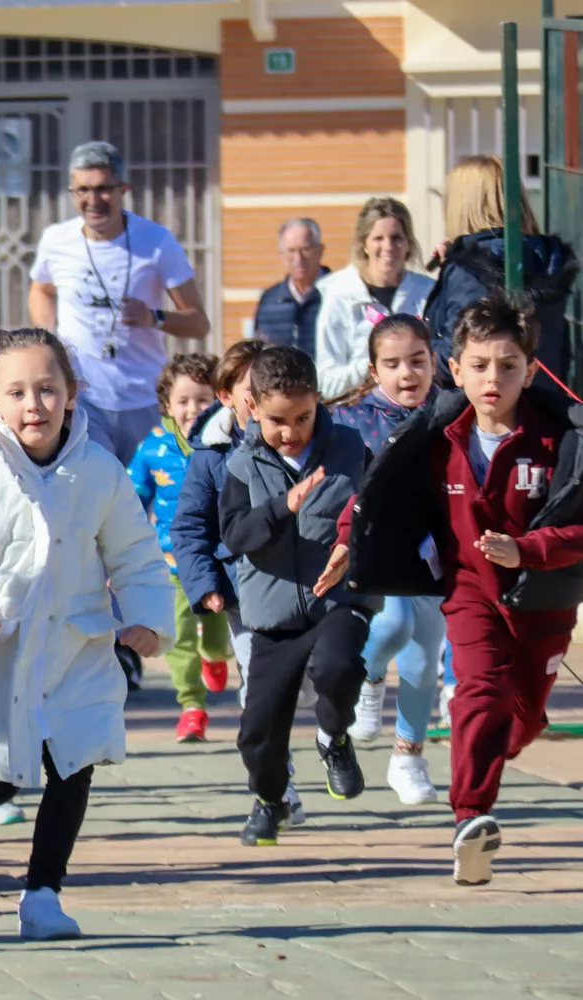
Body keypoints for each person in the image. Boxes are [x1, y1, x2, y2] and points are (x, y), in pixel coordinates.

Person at [0, 327, 173, 940]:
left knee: (74, 761)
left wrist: (150, 618)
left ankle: (43, 892)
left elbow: (134, 552)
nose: (35, 405)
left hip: (77, 647)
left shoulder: (99, 470)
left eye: (48, 389)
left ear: (71, 394)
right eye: (18, 392)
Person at [335, 297, 583, 886]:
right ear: (457, 366)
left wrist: (530, 549)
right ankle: (471, 818)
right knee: (481, 692)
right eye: (479, 365)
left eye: (507, 365)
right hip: (470, 592)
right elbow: (379, 491)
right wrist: (350, 540)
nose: (492, 378)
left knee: (521, 721)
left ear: (530, 367)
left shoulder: (561, 440)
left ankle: (504, 744)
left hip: (544, 604)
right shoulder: (438, 436)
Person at [219, 345, 376, 848]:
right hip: (273, 613)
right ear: (253, 409)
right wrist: (281, 507)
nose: (291, 432)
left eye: (303, 417)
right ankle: (270, 801)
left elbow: (378, 515)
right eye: (277, 421)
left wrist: (352, 545)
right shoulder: (241, 465)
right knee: (258, 731)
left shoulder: (351, 449)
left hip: (338, 600)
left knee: (339, 667)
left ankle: (334, 739)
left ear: (318, 403)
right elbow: (235, 534)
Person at [170, 341, 309, 826]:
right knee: (261, 692)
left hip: (312, 589)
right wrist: (204, 582)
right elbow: (189, 528)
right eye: (253, 391)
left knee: (310, 686)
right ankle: (279, 789)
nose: (264, 400)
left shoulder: (310, 439)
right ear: (228, 396)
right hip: (246, 597)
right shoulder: (211, 456)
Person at [27, 140, 211, 464]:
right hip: (82, 398)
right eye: (82, 190)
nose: (92, 200)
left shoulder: (156, 242)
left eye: (102, 189)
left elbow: (198, 323)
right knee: (95, 496)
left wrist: (153, 316)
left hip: (144, 399)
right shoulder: (57, 240)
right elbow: (41, 289)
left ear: (123, 188)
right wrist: (49, 336)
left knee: (142, 503)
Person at [330, 316, 444, 805]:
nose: (407, 374)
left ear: (435, 363)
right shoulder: (353, 419)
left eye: (417, 361)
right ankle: (369, 679)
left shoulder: (450, 411)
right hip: (376, 549)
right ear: (374, 370)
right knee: (393, 623)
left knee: (424, 659)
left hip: (437, 553)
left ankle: (408, 757)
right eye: (393, 364)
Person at [127, 353, 231, 742]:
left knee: (217, 632)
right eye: (183, 401)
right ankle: (192, 707)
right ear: (167, 406)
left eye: (202, 400)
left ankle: (217, 656)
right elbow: (133, 498)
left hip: (221, 560)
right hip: (170, 564)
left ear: (220, 399)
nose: (193, 410)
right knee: (179, 636)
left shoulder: (227, 444)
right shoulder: (153, 448)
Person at [424, 154, 579, 379]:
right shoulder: (544, 256)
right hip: (542, 401)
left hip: (484, 406)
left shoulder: (470, 271)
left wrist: (420, 356)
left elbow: (459, 353)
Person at [315, 198, 435, 399]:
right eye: (378, 238)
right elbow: (326, 383)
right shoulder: (340, 295)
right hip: (358, 417)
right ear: (364, 244)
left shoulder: (427, 292)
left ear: (408, 244)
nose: (388, 247)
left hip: (420, 416)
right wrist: (379, 361)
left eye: (396, 238)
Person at [254, 218, 329, 357]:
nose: (298, 258)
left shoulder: (338, 294)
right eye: (291, 250)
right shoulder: (269, 301)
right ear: (281, 255)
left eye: (305, 249)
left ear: (320, 251)